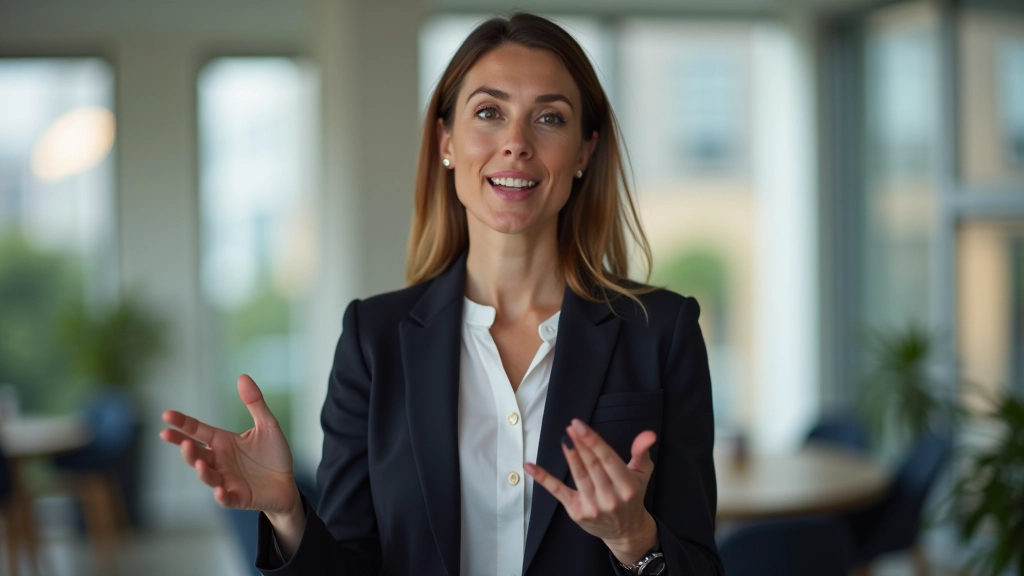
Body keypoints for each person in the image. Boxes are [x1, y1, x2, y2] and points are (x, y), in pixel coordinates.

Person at [160, 12, 721, 576]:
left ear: (583, 151)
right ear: (446, 139)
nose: (517, 143)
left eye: (549, 118)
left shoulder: (661, 332)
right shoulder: (372, 340)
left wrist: (635, 539)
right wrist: (289, 517)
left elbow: (699, 563)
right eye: (488, 113)